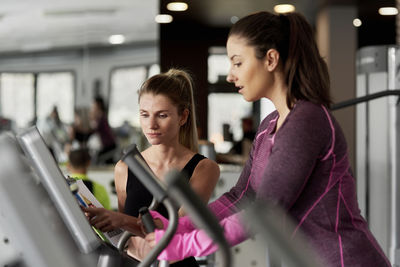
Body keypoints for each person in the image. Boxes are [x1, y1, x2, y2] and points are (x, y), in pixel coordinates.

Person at [142, 11, 391, 267]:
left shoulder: (306, 120)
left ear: (271, 59)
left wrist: (182, 246)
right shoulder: (268, 126)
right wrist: (179, 226)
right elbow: (241, 197)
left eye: (237, 63)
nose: (230, 75)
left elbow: (265, 210)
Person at [83, 69, 220, 266]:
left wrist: (119, 219)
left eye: (162, 115)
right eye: (144, 115)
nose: (151, 125)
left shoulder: (204, 169)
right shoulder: (125, 167)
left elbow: (179, 230)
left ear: (183, 117)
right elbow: (125, 235)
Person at [89, 96, 117, 164]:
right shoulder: (100, 115)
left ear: (98, 105)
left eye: (94, 104)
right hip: (108, 144)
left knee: (97, 159)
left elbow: (94, 128)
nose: (92, 106)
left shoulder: (100, 116)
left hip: (109, 145)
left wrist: (92, 118)